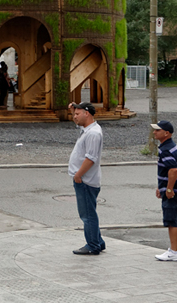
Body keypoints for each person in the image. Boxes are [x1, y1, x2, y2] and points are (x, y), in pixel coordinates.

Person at [68, 101, 105, 255]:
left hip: (86, 180)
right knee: (90, 212)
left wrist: (78, 175)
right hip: (84, 179)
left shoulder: (93, 133)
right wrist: (72, 110)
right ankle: (98, 241)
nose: (74, 117)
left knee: (87, 214)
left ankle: (93, 246)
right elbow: (78, 121)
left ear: (87, 113)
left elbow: (91, 158)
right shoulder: (88, 129)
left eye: (77, 114)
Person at [152, 120, 177, 262]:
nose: (155, 132)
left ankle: (173, 251)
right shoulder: (173, 146)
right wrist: (161, 186)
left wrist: (168, 188)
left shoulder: (165, 149)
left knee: (171, 220)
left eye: (157, 130)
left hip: (174, 191)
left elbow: (173, 170)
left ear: (166, 133)